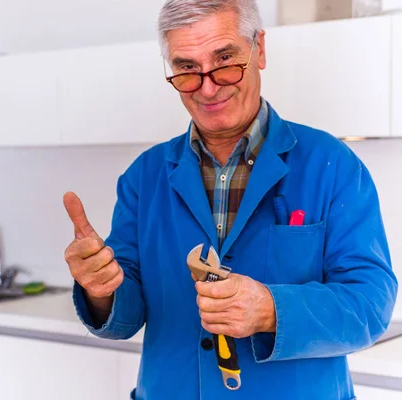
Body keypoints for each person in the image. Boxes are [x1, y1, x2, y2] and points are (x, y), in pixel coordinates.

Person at [62, 0, 398, 398]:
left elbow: (370, 303)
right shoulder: (143, 177)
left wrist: (271, 308)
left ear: (260, 50)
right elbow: (126, 316)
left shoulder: (333, 164)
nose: (207, 87)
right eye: (187, 68)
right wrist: (101, 290)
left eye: (225, 60)